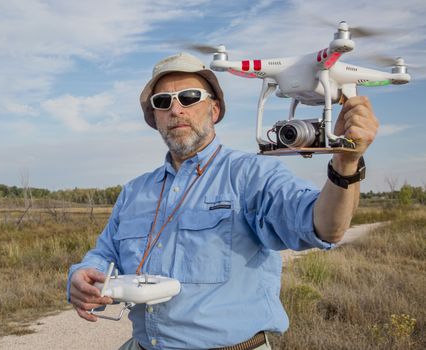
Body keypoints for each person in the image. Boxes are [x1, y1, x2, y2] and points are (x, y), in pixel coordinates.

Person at [67, 52, 378, 350]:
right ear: (155, 118)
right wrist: (82, 276)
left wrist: (345, 164)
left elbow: (323, 227)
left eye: (189, 97)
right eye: (163, 102)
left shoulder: (252, 175)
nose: (176, 110)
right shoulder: (135, 191)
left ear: (214, 109)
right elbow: (104, 255)